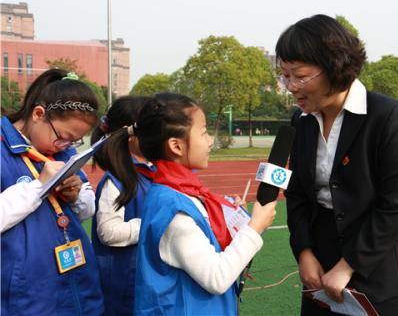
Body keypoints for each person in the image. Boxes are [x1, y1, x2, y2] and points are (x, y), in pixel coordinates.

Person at [276, 14, 398, 316]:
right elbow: (298, 193)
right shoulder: (301, 121)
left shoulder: (387, 116)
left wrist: (348, 266)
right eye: (285, 76)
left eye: (299, 76)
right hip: (318, 267)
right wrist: (304, 252)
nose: (291, 86)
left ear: (333, 67)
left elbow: (396, 204)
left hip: (379, 269)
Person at [103, 92, 277, 315]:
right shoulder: (176, 212)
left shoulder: (179, 192)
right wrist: (255, 227)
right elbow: (216, 276)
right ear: (176, 146)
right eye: (204, 133)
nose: (210, 141)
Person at [0, 69, 104, 315]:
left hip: (77, 285)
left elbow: (88, 209)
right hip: (26, 298)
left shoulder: (63, 153)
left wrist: (76, 195)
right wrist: (39, 186)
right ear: (38, 114)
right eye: (64, 137)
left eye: (74, 142)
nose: (66, 146)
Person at [90, 95, 152, 316]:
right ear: (130, 135)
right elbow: (109, 232)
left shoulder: (151, 172)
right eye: (152, 127)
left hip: (147, 278)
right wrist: (151, 225)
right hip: (124, 285)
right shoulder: (115, 181)